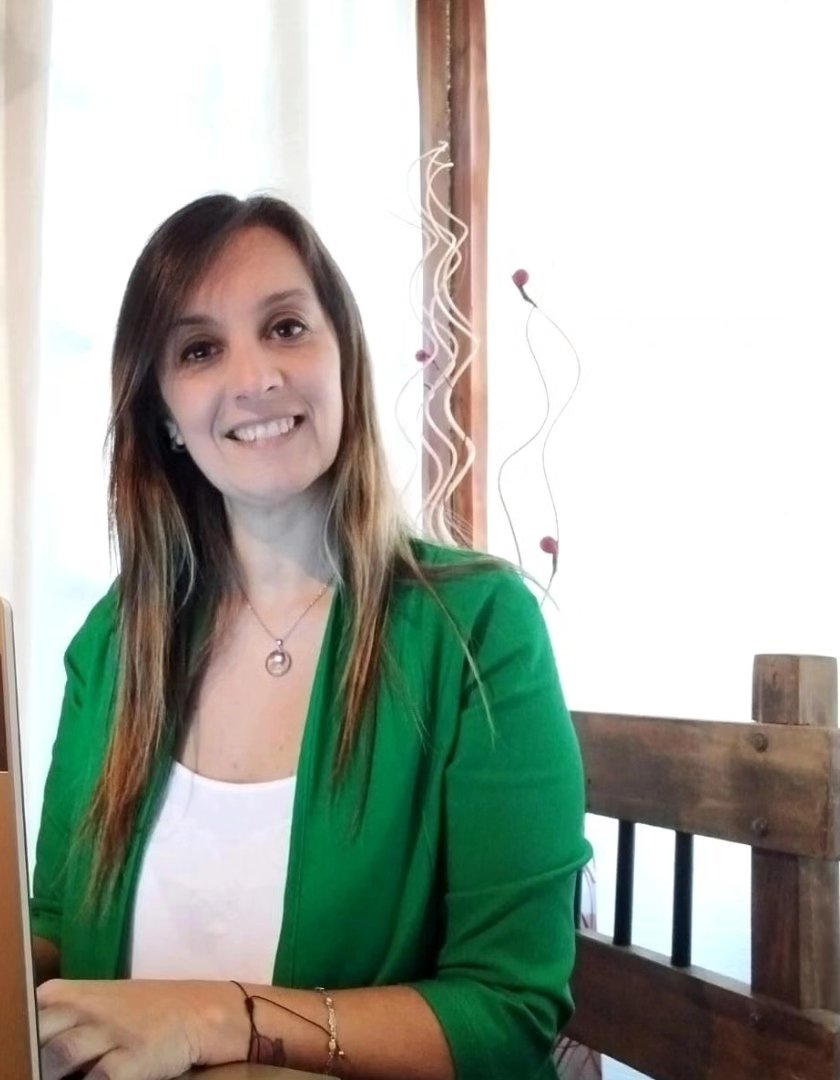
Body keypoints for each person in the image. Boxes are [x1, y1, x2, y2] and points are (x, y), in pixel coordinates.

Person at [29, 193, 590, 1080]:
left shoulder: (477, 628)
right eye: (200, 349)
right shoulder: (112, 642)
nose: (256, 377)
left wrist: (220, 1018)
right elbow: (56, 930)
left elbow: (506, 1013)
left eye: (286, 328)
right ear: (163, 413)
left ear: (343, 360)